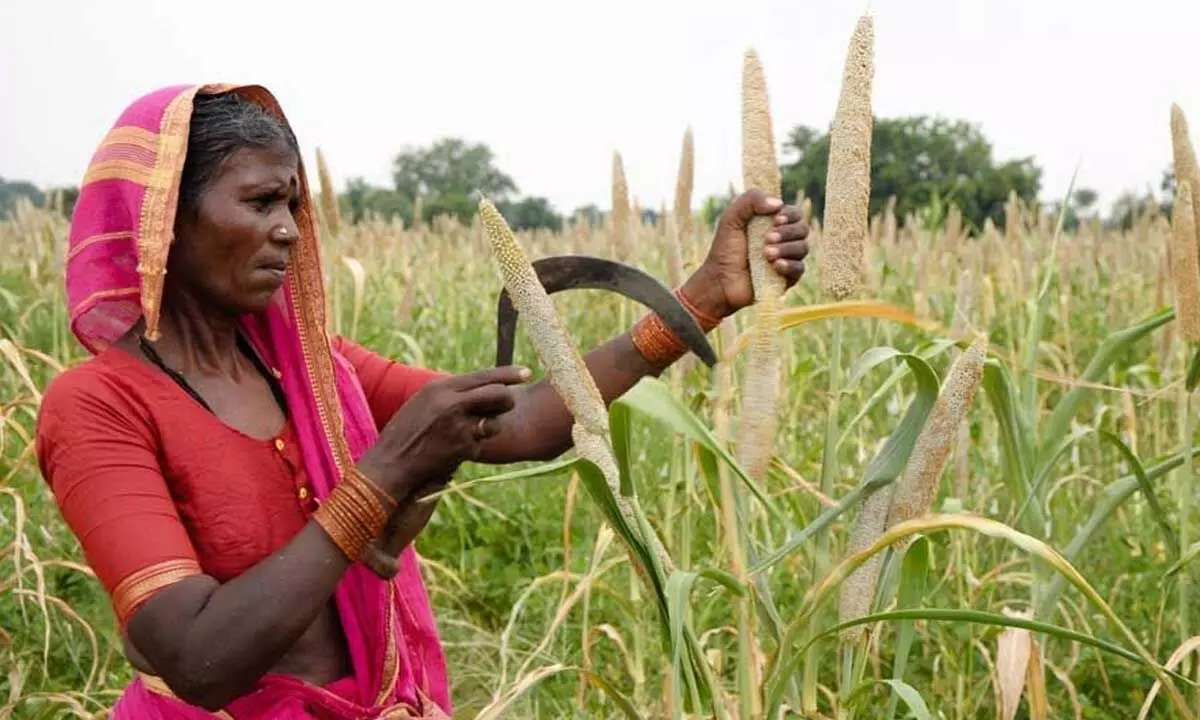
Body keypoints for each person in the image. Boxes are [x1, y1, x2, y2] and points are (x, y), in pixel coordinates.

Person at [34, 83, 811, 719]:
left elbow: (533, 422)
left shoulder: (310, 367)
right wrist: (384, 476)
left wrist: (703, 300)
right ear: (164, 219)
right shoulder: (100, 407)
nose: (288, 233)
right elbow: (199, 658)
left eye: (294, 209)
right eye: (261, 202)